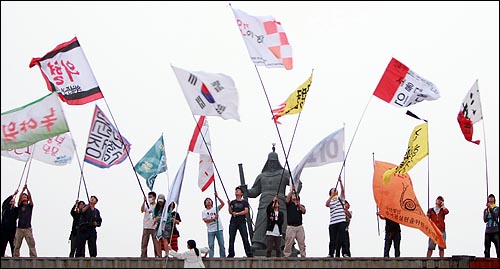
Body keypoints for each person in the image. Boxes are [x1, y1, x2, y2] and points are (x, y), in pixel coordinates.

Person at [241, 145, 302, 253]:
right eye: (270, 162)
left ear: (277, 162)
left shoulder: (284, 173)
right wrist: (245, 191)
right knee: (262, 221)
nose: (272, 164)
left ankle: (287, 245)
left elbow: (297, 183)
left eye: (274, 162)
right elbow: (255, 192)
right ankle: (258, 243)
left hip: (280, 202)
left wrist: (294, 191)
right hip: (264, 201)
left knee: (283, 223)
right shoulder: (262, 176)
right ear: (267, 162)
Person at [325, 176, 349, 257]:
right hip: (333, 222)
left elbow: (343, 190)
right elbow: (326, 204)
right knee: (332, 239)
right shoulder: (331, 200)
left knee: (343, 238)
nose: (335, 191)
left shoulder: (340, 198)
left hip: (341, 221)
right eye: (333, 190)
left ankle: (345, 253)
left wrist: (340, 181)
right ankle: (331, 253)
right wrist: (332, 196)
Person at [227, 186, 253, 258]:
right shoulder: (233, 202)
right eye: (236, 190)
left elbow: (246, 211)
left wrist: (238, 213)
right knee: (231, 238)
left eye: (238, 190)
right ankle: (231, 253)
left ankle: (249, 253)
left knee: (245, 237)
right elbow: (230, 212)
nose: (236, 191)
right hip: (233, 222)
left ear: (241, 193)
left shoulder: (244, 202)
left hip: (242, 222)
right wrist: (229, 205)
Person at [13, 184, 37, 257]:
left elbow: (31, 199)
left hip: (27, 229)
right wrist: (22, 191)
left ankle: (33, 257)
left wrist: (27, 190)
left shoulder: (30, 206)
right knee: (17, 244)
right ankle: (16, 256)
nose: (24, 197)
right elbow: (19, 199)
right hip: (19, 228)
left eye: (25, 196)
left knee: (31, 244)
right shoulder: (20, 206)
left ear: (27, 198)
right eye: (23, 196)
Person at [283, 186, 306, 258]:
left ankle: (303, 255)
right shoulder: (289, 205)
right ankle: (286, 255)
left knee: (301, 242)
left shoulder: (300, 206)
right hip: (291, 226)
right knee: (289, 242)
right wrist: (291, 191)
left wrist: (298, 204)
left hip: (299, 226)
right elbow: (287, 200)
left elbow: (304, 211)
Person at [201, 192, 226, 258]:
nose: (208, 202)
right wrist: (213, 219)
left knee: (221, 244)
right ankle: (211, 257)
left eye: (209, 200)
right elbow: (205, 220)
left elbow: (223, 204)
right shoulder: (204, 212)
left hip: (219, 229)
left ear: (212, 202)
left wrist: (217, 197)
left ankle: (223, 257)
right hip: (210, 230)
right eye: (207, 201)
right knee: (211, 245)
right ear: (205, 204)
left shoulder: (215, 209)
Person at [141, 191, 161, 258]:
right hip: (146, 226)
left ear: (154, 197)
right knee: (144, 243)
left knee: (155, 243)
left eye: (150, 197)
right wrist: (144, 201)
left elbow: (159, 215)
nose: (149, 198)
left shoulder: (157, 206)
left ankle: (157, 255)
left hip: (154, 227)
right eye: (148, 197)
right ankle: (143, 255)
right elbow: (142, 210)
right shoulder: (147, 205)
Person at [1, 189, 19, 257]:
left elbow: (20, 207)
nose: (12, 202)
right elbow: (5, 202)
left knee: (13, 246)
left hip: (12, 231)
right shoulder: (5, 208)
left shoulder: (15, 210)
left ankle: (14, 258)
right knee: (2, 245)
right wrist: (13, 194)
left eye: (13, 201)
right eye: (11, 201)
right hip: (3, 230)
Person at [483, 193, 499, 258]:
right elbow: (485, 220)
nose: (491, 199)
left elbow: (495, 215)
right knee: (486, 249)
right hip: (488, 231)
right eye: (490, 198)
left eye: (492, 198)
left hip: (495, 231)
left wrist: (491, 209)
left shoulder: (497, 208)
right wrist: (486, 214)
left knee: (498, 248)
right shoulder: (486, 210)